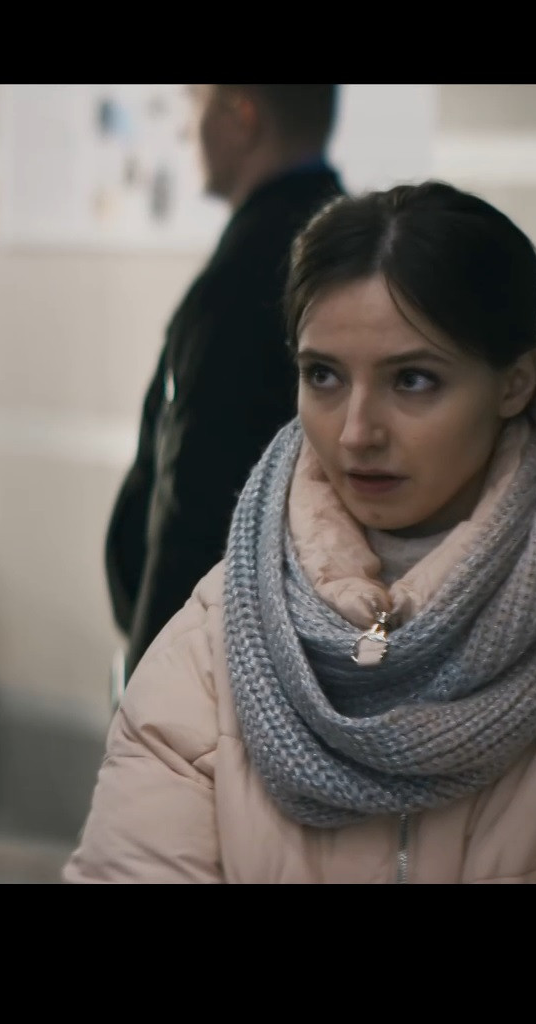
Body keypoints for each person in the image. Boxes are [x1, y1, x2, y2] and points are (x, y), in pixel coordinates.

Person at [64, 181, 536, 883]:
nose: (357, 432)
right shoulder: (216, 633)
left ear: (514, 382)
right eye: (323, 376)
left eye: (413, 380)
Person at [105, 85, 347, 683]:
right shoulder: (343, 249)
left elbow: (198, 511)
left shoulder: (244, 285)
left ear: (241, 116)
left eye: (195, 108)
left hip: (219, 671)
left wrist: (150, 688)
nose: (186, 130)